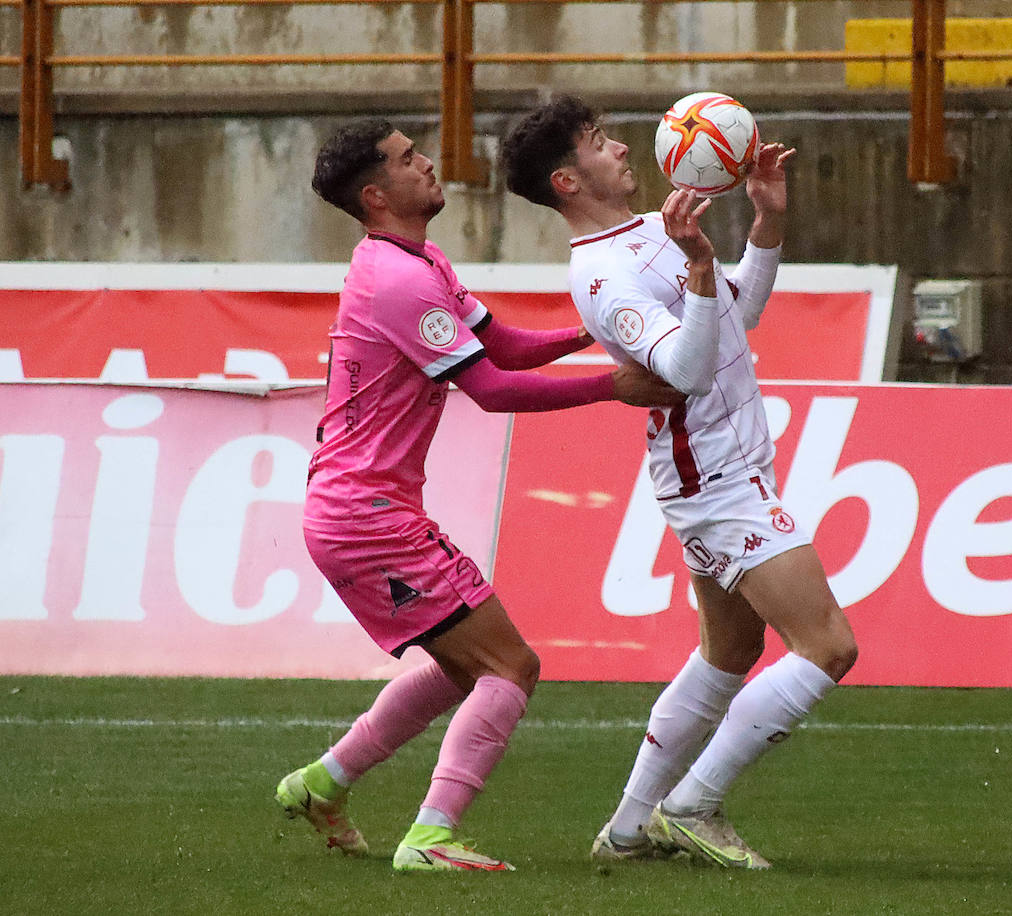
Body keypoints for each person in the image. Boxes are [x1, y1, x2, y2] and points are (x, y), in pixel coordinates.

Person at [276, 117, 682, 874]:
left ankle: (321, 783)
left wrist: (592, 327)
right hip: (368, 516)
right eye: (406, 159)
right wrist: (613, 385)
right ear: (375, 194)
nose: (427, 163)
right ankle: (430, 838)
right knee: (509, 667)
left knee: (467, 666)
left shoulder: (416, 258)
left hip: (359, 508)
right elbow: (490, 390)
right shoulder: (397, 278)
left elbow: (501, 345)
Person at [500, 97, 858, 870]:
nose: (622, 148)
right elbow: (687, 370)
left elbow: (737, 316)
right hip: (717, 481)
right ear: (567, 180)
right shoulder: (600, 275)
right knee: (827, 646)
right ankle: (692, 804)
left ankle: (629, 828)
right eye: (599, 143)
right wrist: (696, 264)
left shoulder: (643, 235)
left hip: (726, 468)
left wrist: (765, 225)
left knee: (729, 653)